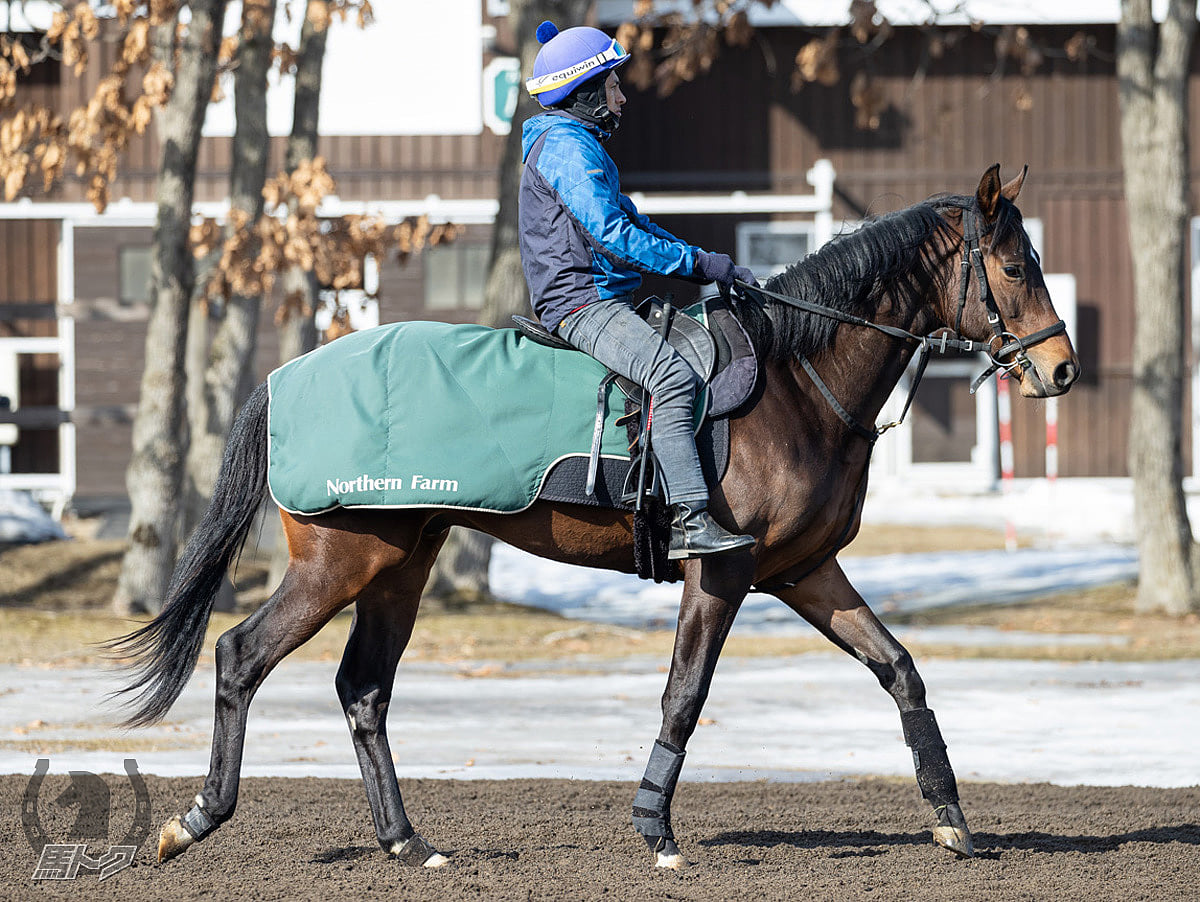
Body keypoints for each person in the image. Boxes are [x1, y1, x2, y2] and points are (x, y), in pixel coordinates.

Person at [518, 20, 756, 560]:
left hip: (601, 298)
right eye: (613, 87)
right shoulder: (566, 149)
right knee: (670, 375)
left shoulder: (580, 146)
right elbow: (613, 237)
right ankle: (690, 521)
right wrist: (698, 263)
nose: (622, 99)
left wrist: (710, 264)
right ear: (583, 94)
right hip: (582, 305)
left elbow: (634, 221)